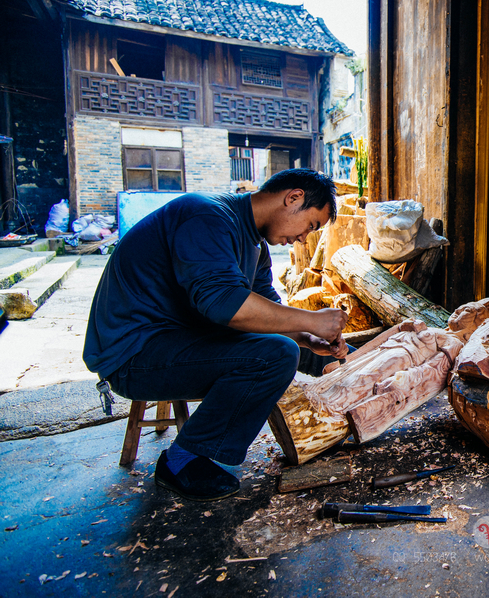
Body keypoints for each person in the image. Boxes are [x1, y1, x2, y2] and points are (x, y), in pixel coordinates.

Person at [83, 168, 349, 502]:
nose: (303, 239)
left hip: (180, 342)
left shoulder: (255, 246)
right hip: (134, 355)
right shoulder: (205, 216)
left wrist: (313, 338)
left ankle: (354, 372)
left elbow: (267, 311)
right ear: (293, 197)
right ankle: (180, 461)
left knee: (295, 342)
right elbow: (224, 305)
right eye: (310, 225)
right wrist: (311, 321)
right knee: (277, 353)